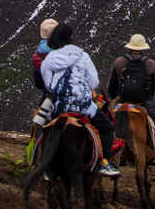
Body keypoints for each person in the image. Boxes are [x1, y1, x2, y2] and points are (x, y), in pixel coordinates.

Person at [39, 22, 121, 177]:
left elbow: (48, 85)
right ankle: (104, 163)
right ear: (71, 38)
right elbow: (94, 82)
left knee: (43, 126)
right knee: (107, 129)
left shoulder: (49, 58)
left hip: (58, 106)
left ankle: (44, 163)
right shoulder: (83, 56)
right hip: (83, 106)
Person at [106, 32, 155, 142]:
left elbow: (112, 87)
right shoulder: (150, 64)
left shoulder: (119, 62)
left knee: (106, 120)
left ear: (129, 47)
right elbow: (152, 88)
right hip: (143, 102)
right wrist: (149, 98)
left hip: (122, 101)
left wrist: (115, 99)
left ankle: (107, 150)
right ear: (143, 48)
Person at [29, 18, 58, 131]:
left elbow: (39, 83)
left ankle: (35, 144)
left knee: (38, 123)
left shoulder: (38, 55)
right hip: (72, 93)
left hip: (49, 95)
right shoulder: (66, 51)